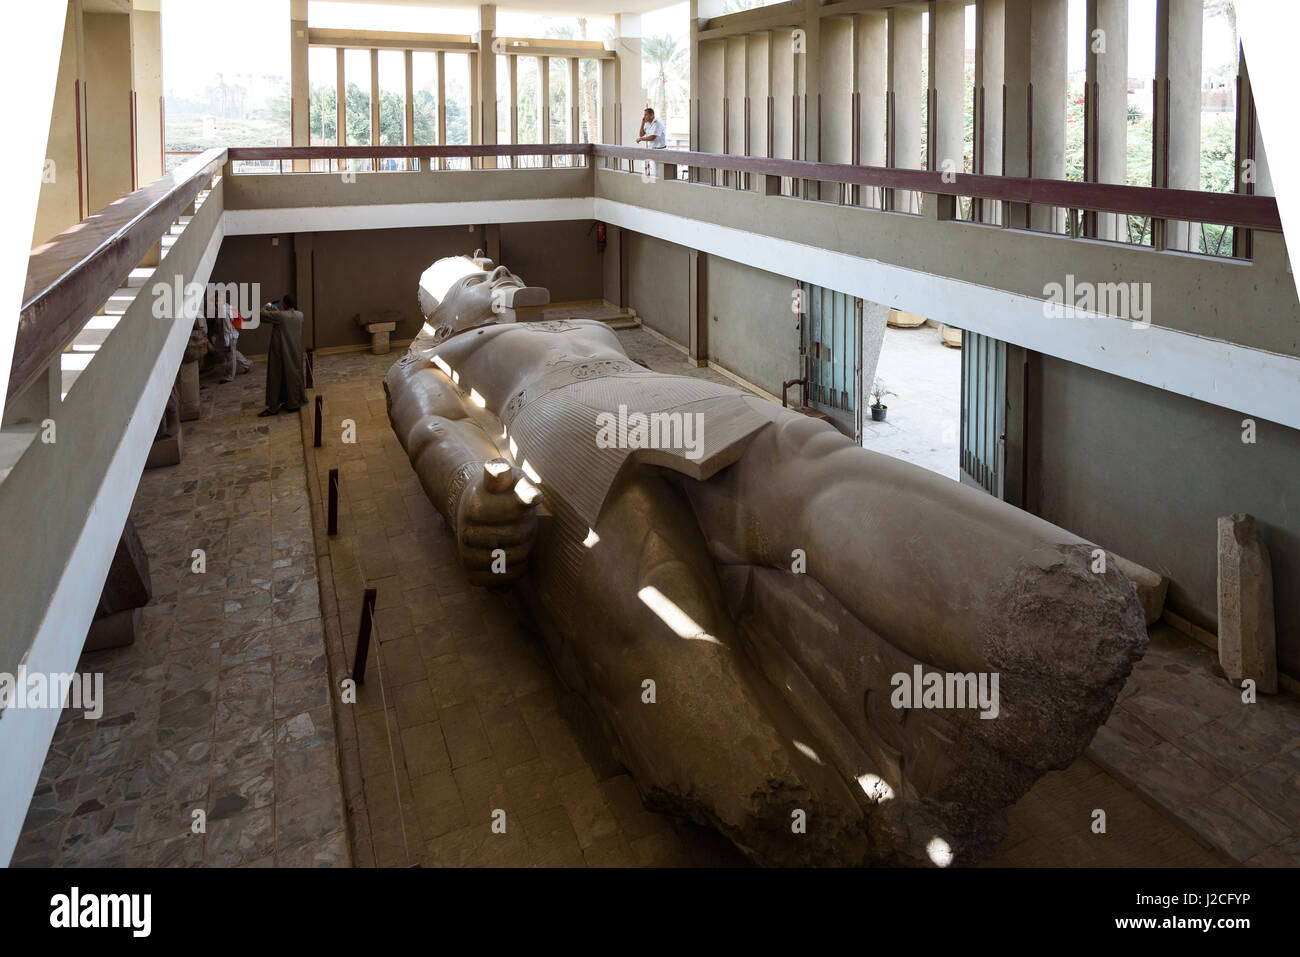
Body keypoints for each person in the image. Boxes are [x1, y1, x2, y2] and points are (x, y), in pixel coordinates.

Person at [258, 293, 307, 416]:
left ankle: (273, 407)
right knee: (293, 376)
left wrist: (269, 305)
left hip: (281, 351)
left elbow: (260, 314)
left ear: (284, 304)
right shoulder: (300, 315)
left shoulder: (279, 316)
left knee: (276, 377)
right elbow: (287, 319)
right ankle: (293, 403)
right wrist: (278, 312)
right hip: (295, 351)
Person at [214, 290, 252, 383]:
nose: (215, 303)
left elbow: (227, 328)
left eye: (217, 301)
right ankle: (248, 364)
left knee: (231, 356)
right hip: (232, 335)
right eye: (215, 301)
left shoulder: (224, 311)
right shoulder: (227, 308)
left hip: (230, 336)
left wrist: (226, 341)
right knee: (234, 353)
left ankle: (230, 376)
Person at [635, 106, 667, 178]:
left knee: (659, 172)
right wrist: (642, 123)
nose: (644, 116)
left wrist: (641, 139)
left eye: (646, 115)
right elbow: (641, 134)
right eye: (644, 115)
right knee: (653, 171)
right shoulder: (647, 124)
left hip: (660, 149)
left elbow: (653, 137)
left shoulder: (657, 124)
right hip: (652, 149)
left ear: (652, 115)